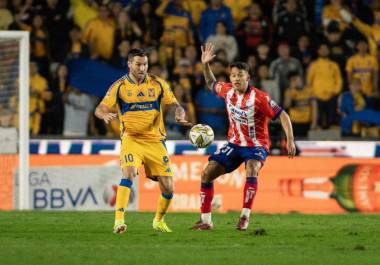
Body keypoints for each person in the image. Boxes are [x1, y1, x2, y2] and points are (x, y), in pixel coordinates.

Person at [192, 43, 296, 231]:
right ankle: (206, 221)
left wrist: (290, 139)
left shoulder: (260, 98)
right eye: (233, 75)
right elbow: (210, 83)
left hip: (257, 145)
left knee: (252, 167)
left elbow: (283, 114)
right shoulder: (227, 91)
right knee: (207, 173)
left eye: (240, 75)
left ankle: (244, 217)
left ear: (248, 77)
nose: (236, 79)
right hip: (234, 144)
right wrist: (206, 64)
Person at [95, 49, 191, 234]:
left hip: (155, 141)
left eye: (145, 64)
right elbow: (99, 108)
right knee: (129, 173)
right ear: (129, 64)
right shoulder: (120, 86)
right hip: (132, 139)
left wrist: (179, 113)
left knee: (169, 188)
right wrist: (104, 114)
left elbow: (175, 104)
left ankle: (158, 220)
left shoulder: (157, 83)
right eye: (138, 64)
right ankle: (119, 221)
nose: (142, 68)